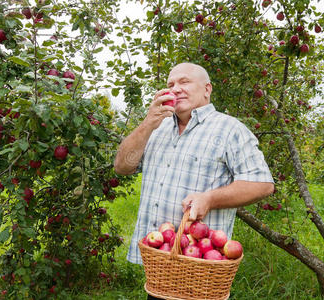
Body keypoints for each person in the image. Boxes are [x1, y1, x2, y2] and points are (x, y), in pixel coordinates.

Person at [114, 62, 274, 299]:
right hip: (160, 264)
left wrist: (209, 198)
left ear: (207, 89)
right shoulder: (156, 130)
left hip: (201, 267)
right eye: (170, 84)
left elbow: (263, 184)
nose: (175, 89)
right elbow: (122, 166)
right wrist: (148, 122)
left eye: (184, 82)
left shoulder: (230, 130)